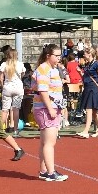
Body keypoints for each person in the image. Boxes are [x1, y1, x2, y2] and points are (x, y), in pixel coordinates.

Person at [30, 45, 69, 181]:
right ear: (48, 56)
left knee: (45, 141)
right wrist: (51, 109)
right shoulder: (44, 69)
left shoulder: (52, 69)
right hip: (46, 108)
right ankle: (51, 173)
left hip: (49, 107)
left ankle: (44, 170)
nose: (59, 58)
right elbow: (43, 91)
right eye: (56, 56)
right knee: (49, 142)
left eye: (60, 55)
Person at [77, 48, 98, 138]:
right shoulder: (87, 64)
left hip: (93, 89)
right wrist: (79, 73)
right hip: (87, 87)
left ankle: (86, 131)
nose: (83, 55)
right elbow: (85, 77)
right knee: (95, 112)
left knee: (89, 109)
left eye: (85, 54)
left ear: (90, 54)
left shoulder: (96, 64)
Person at [0, 48, 26, 134]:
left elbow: (0, 78)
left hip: (7, 87)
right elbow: (23, 75)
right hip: (18, 87)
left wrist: (2, 86)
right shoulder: (20, 64)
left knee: (4, 110)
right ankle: (15, 129)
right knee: (16, 109)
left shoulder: (4, 64)